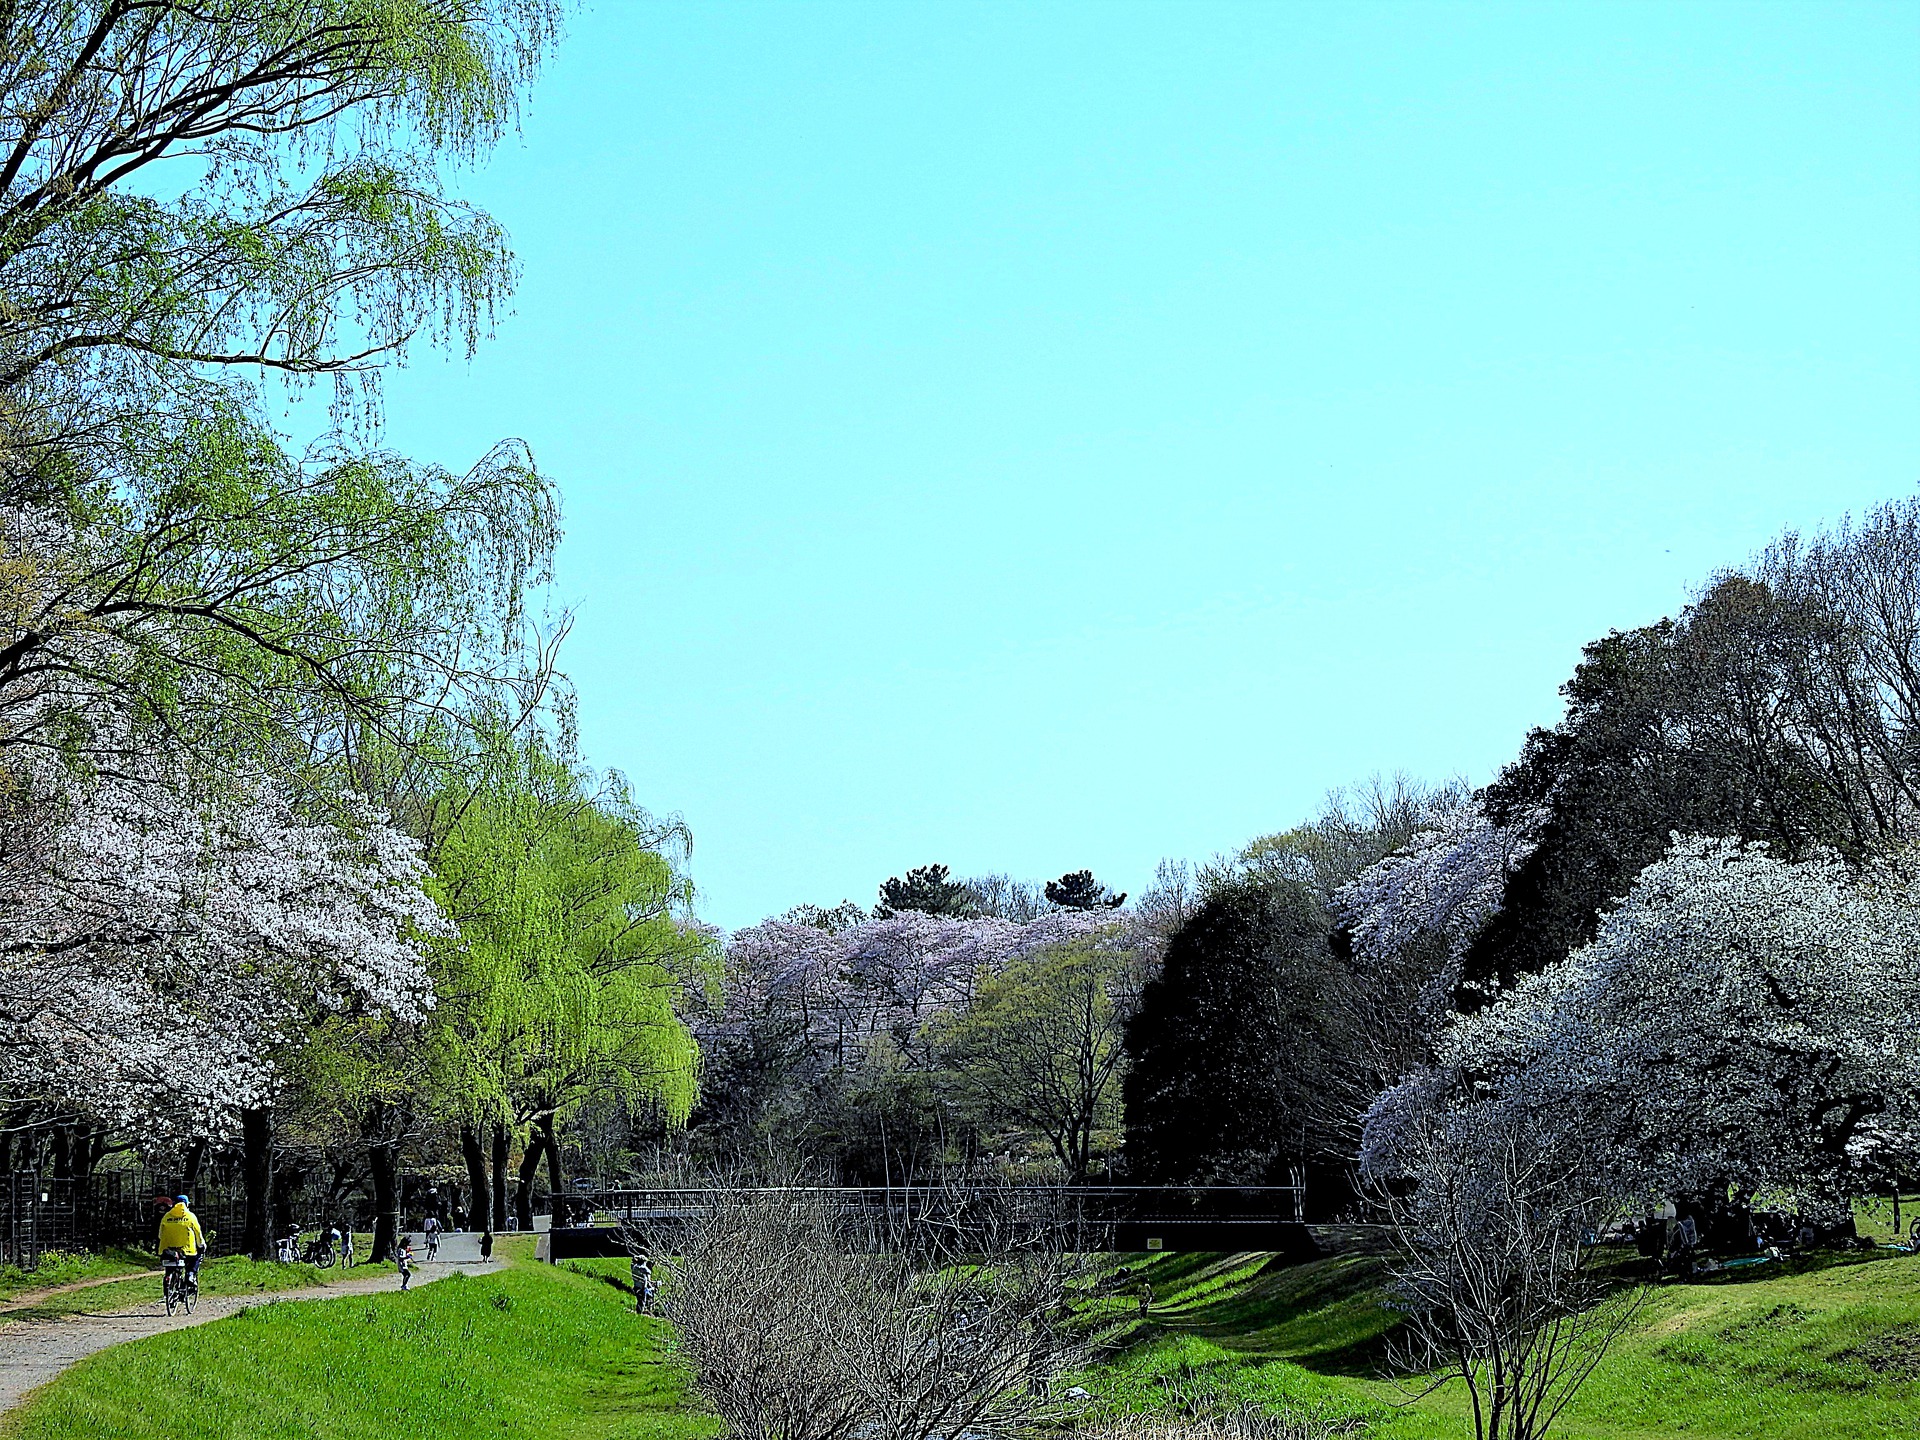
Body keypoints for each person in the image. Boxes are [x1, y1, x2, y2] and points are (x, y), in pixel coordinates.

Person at [157, 1194, 206, 1290]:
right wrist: (202, 1245)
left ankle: (168, 1279)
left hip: (167, 1250)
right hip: (187, 1250)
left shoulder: (166, 1216)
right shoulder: (191, 1217)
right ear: (187, 1204)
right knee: (195, 1258)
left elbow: (160, 1235)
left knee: (170, 1266)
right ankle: (191, 1275)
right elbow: (198, 1233)